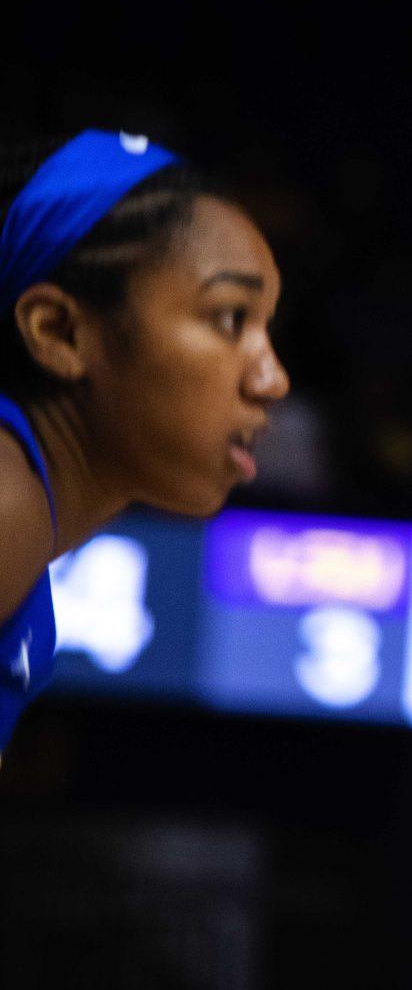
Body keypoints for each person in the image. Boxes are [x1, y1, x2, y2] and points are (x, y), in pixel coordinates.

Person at [1, 131, 291, 754]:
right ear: (60, 332)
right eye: (230, 318)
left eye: (267, 328)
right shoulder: (6, 504)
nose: (272, 379)